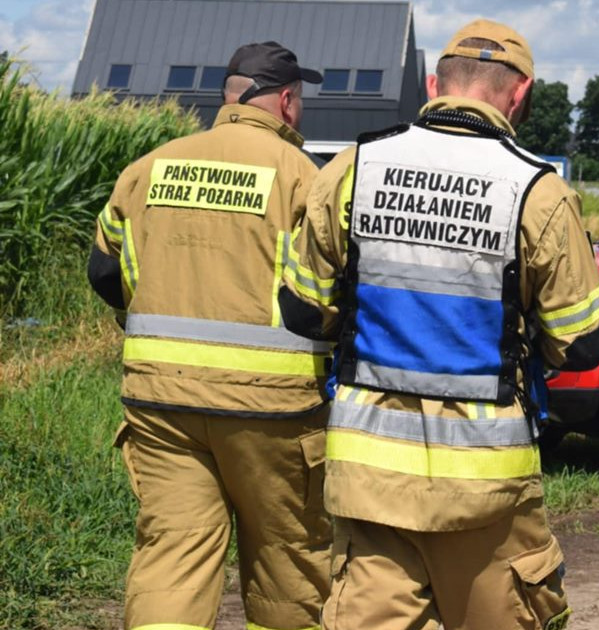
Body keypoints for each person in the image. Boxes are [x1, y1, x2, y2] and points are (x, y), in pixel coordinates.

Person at [278, 18, 599, 630]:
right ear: (521, 95)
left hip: (369, 477)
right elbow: (585, 342)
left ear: (436, 83)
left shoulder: (353, 169)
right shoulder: (536, 191)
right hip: (487, 488)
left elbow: (302, 311)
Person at [87, 41, 332, 630]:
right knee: (287, 560)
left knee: (172, 553)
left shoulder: (151, 165)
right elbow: (329, 289)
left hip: (160, 404)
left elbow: (103, 270)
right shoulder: (305, 178)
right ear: (288, 101)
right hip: (271, 410)